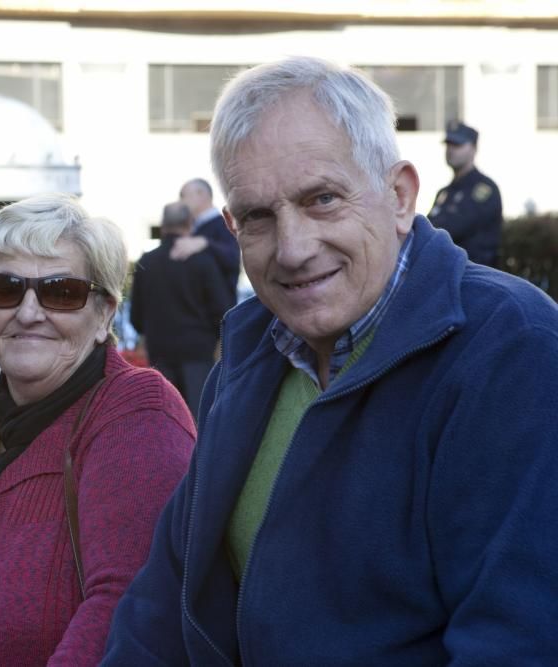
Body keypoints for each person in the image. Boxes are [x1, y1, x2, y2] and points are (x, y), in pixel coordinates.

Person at [103, 57, 558, 665]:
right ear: (234, 226)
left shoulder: (512, 351)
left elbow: (517, 640)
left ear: (399, 196)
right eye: (260, 218)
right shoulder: (248, 357)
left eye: (322, 199)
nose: (292, 250)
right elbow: (160, 605)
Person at [0, 193, 195, 666]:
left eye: (62, 292)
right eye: (5, 289)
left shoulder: (136, 415)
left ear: (104, 315)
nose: (28, 312)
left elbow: (126, 609)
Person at [130, 202, 227, 417]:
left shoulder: (147, 262)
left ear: (163, 226)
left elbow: (136, 315)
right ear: (189, 225)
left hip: (160, 352)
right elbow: (221, 310)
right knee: (198, 420)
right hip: (198, 352)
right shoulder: (203, 261)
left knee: (166, 418)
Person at [428, 121, 503, 267]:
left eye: (457, 145)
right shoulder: (444, 192)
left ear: (473, 149)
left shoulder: (485, 189)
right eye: (448, 144)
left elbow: (452, 228)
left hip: (475, 277)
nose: (450, 150)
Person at [173, 177, 240, 312]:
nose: (181, 202)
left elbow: (233, 258)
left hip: (219, 318)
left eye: (183, 196)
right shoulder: (196, 228)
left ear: (200, 194)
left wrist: (206, 243)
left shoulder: (223, 224)